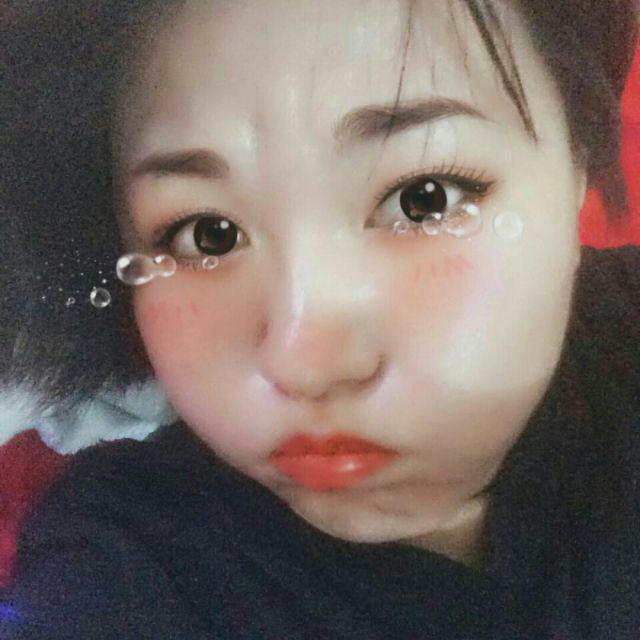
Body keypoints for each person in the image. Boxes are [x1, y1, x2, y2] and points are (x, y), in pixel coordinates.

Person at [0, 1, 638, 637]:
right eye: (207, 234)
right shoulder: (121, 573)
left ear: (577, 163)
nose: (307, 363)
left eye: (423, 200)